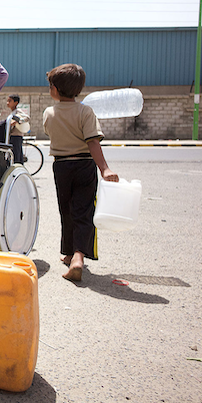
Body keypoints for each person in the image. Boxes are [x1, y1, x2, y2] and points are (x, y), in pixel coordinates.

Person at [43, 63, 118, 282]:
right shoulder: (86, 112)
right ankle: (77, 257)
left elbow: (49, 132)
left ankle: (68, 253)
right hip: (85, 165)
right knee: (83, 210)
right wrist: (104, 169)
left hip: (61, 166)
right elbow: (93, 141)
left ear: (55, 90)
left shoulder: (49, 112)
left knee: (65, 209)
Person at [6, 94, 30, 164]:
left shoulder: (17, 111)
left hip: (16, 136)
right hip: (12, 136)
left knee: (16, 155)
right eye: (7, 101)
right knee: (16, 154)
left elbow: (27, 117)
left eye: (10, 101)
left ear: (16, 103)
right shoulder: (12, 112)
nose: (8, 103)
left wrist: (17, 121)